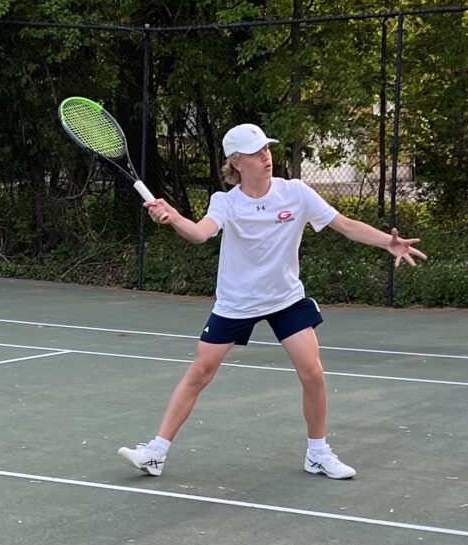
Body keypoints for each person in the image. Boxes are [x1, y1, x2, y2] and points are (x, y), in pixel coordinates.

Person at [118, 122, 426, 481]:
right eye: (255, 153)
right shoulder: (226, 203)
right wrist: (173, 218)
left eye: (266, 149)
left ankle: (318, 453)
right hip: (236, 302)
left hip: (285, 299)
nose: (265, 157)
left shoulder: (295, 193)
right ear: (236, 162)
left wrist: (386, 242)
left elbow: (345, 224)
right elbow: (200, 234)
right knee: (200, 372)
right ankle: (156, 452)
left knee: (313, 373)